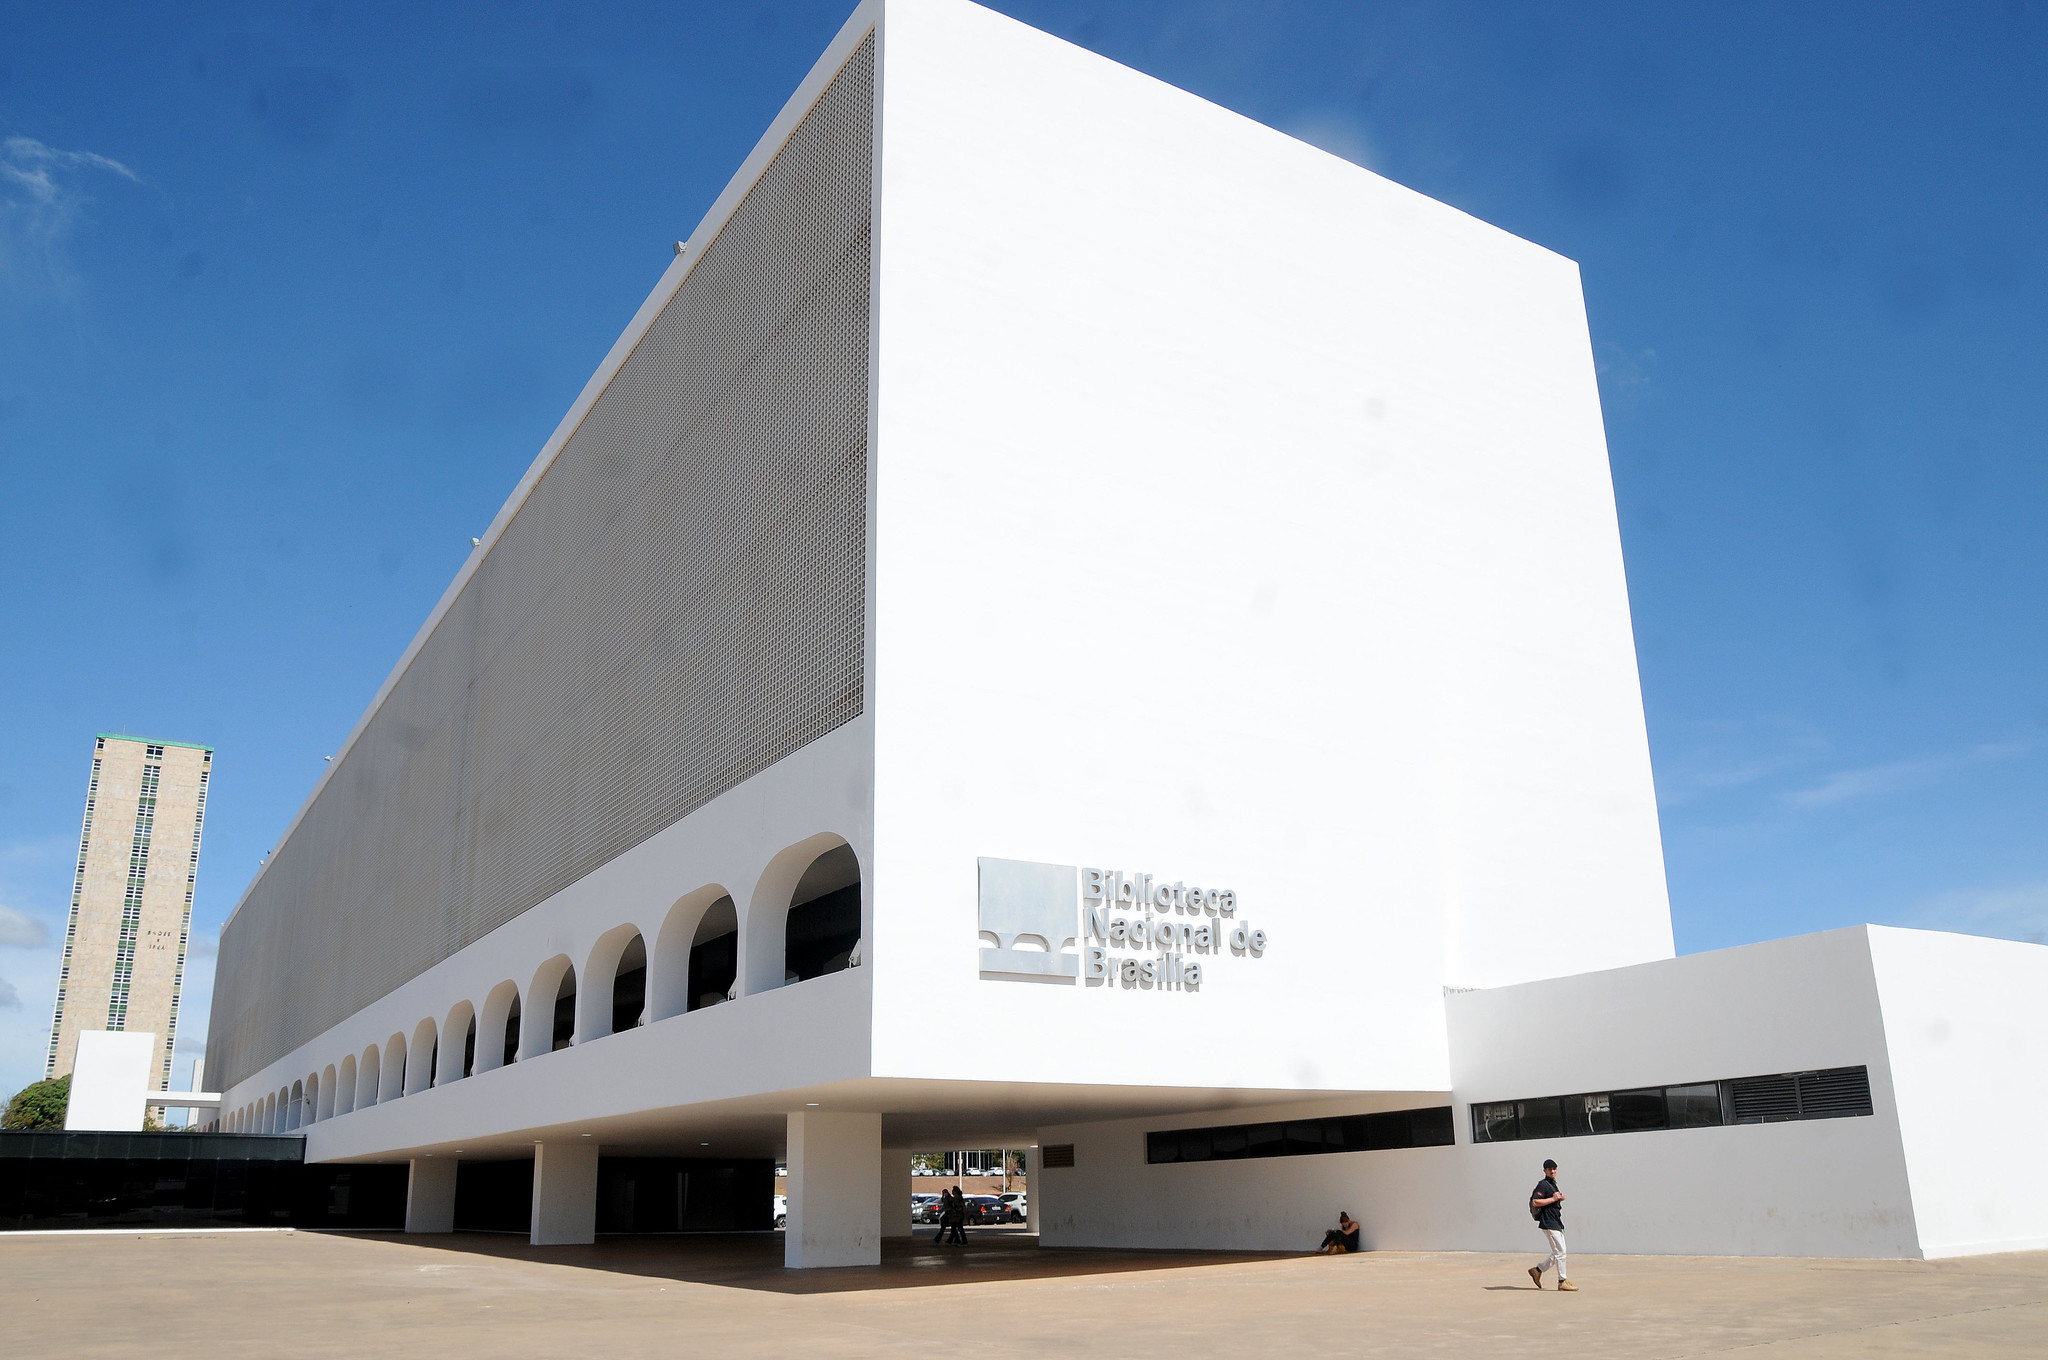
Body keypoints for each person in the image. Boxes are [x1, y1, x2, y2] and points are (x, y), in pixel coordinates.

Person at [1527, 1159, 1576, 1291]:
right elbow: (1535, 1202)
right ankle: (1562, 1281)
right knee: (1561, 1252)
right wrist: (1554, 1199)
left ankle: (1538, 1270)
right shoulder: (1543, 1185)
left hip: (1556, 1221)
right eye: (1550, 1169)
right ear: (1545, 1171)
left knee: (1558, 1253)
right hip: (1548, 1222)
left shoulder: (1552, 1184)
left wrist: (1558, 1198)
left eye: (1554, 1169)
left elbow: (1550, 1201)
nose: (1553, 1171)